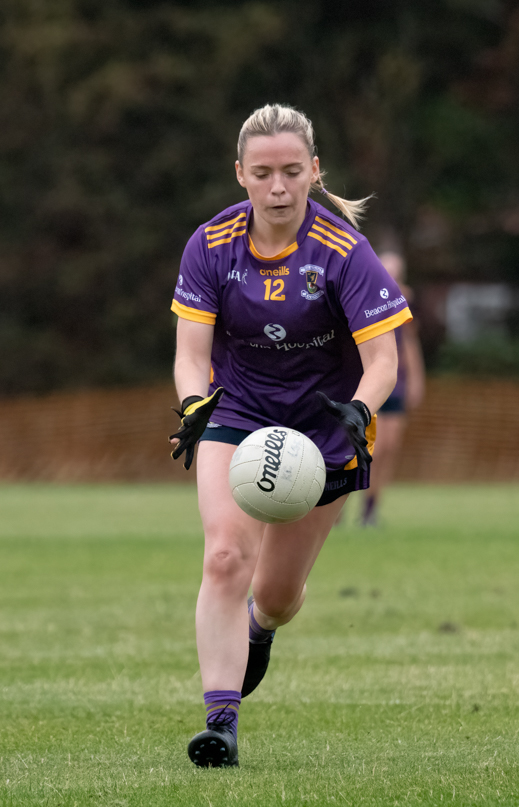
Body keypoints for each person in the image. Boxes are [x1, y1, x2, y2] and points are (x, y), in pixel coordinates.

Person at [169, 103, 412, 768]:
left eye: (292, 171)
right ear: (241, 174)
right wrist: (194, 403)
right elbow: (192, 352)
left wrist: (361, 410)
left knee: (275, 596)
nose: (278, 186)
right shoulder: (211, 244)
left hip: (325, 425)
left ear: (314, 173)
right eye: (264, 172)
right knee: (224, 557)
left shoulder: (344, 252)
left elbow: (383, 359)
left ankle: (260, 627)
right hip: (238, 411)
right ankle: (221, 723)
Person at [360, 250, 425, 527]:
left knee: (388, 447)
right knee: (362, 449)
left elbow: (408, 344)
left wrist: (417, 379)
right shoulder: (361, 296)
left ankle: (371, 509)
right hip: (367, 382)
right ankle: (336, 506)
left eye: (396, 274)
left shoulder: (403, 302)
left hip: (395, 385)